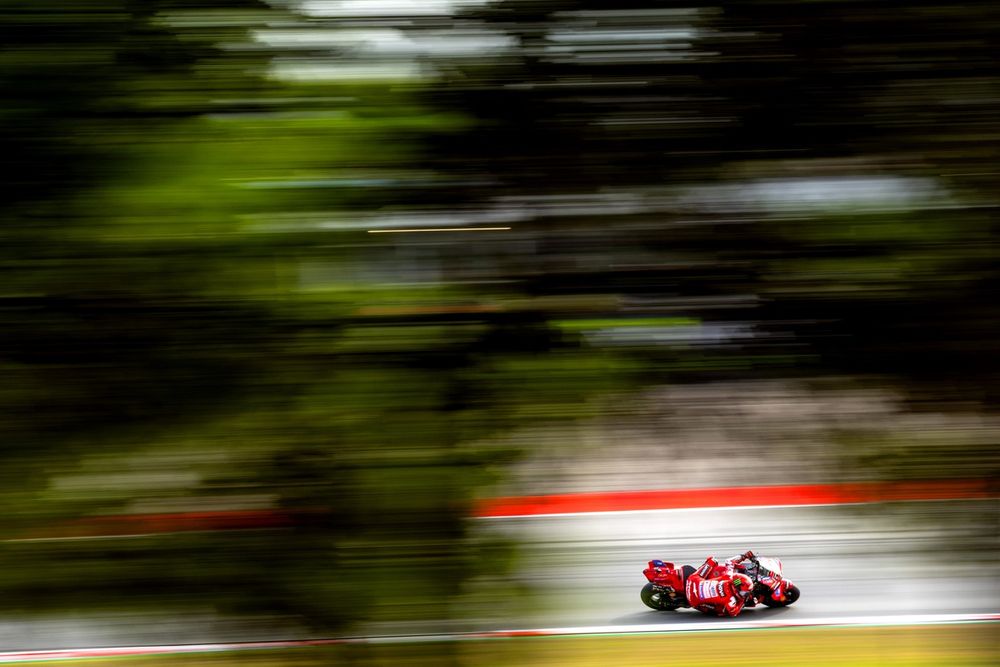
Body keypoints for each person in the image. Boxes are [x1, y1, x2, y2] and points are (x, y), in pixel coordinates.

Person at [684, 550, 758, 617]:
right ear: (737, 588)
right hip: (692, 600)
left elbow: (729, 561)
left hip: (692, 581)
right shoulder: (730, 599)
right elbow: (733, 612)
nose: (744, 595)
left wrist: (744, 556)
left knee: (713, 560)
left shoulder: (728, 576)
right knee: (721, 611)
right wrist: (743, 601)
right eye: (744, 593)